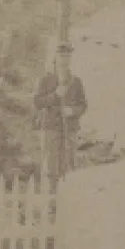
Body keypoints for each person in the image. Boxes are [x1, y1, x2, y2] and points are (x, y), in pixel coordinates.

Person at [32, 43, 88, 180]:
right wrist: (55, 95)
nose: (65, 60)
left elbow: (83, 105)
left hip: (70, 129)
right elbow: (37, 102)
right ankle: (51, 198)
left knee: (69, 166)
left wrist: (72, 111)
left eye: (68, 56)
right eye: (62, 56)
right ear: (55, 58)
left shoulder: (76, 82)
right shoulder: (45, 80)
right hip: (51, 129)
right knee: (50, 168)